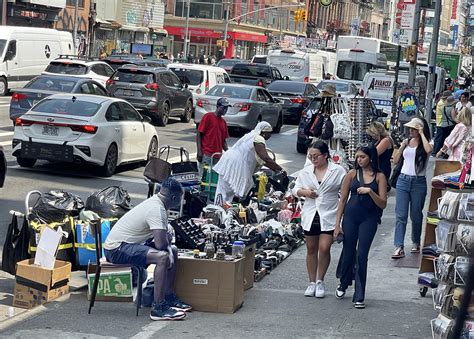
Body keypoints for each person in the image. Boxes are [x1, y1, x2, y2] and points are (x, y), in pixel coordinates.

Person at [104, 178, 191, 321]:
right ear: (174, 198)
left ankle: (168, 297)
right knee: (162, 257)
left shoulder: (158, 203)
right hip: (116, 249)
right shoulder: (156, 209)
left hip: (127, 245)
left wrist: (168, 246)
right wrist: (167, 245)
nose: (181, 202)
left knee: (173, 250)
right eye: (180, 199)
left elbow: (164, 241)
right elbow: (161, 244)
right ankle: (158, 307)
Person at [334, 143, 387, 309]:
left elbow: (383, 203)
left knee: (362, 255)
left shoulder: (379, 177)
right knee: (349, 251)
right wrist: (337, 224)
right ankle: (343, 283)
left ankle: (359, 295)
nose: (359, 159)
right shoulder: (351, 174)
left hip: (369, 219)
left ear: (370, 157)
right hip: (350, 217)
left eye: (362, 156)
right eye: (357, 156)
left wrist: (370, 191)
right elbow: (342, 199)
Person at [294, 141, 346, 298]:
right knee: (311, 248)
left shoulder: (337, 171)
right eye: (311, 156)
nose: (313, 159)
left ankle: (320, 280)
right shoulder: (306, 171)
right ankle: (311, 282)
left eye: (316, 156)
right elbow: (295, 189)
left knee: (324, 247)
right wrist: (305, 192)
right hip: (311, 213)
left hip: (329, 213)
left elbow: (344, 192)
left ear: (325, 155)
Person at [213, 121, 286, 204]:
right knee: (229, 191)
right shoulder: (258, 138)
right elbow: (265, 158)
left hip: (228, 162)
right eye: (269, 133)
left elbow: (263, 161)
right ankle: (222, 210)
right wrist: (280, 169)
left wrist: (274, 168)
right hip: (235, 165)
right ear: (264, 132)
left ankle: (219, 209)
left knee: (223, 191)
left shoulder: (250, 136)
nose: (270, 135)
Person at [392, 117, 432, 259]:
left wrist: (421, 134)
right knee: (400, 215)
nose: (410, 130)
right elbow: (396, 160)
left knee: (416, 214)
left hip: (418, 182)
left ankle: (416, 241)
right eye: (410, 128)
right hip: (403, 180)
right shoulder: (407, 142)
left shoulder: (426, 143)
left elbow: (428, 150)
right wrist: (402, 146)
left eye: (414, 128)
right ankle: (398, 246)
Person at [196, 98, 231, 171]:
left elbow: (223, 141)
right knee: (204, 178)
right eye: (223, 107)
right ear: (218, 106)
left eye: (226, 108)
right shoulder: (208, 117)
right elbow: (199, 134)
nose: (225, 110)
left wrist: (229, 153)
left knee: (213, 180)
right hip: (207, 154)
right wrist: (199, 151)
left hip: (218, 156)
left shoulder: (223, 122)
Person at [366, 122, 394, 190]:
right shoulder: (382, 140)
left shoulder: (385, 140)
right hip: (380, 166)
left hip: (382, 167)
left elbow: (375, 153)